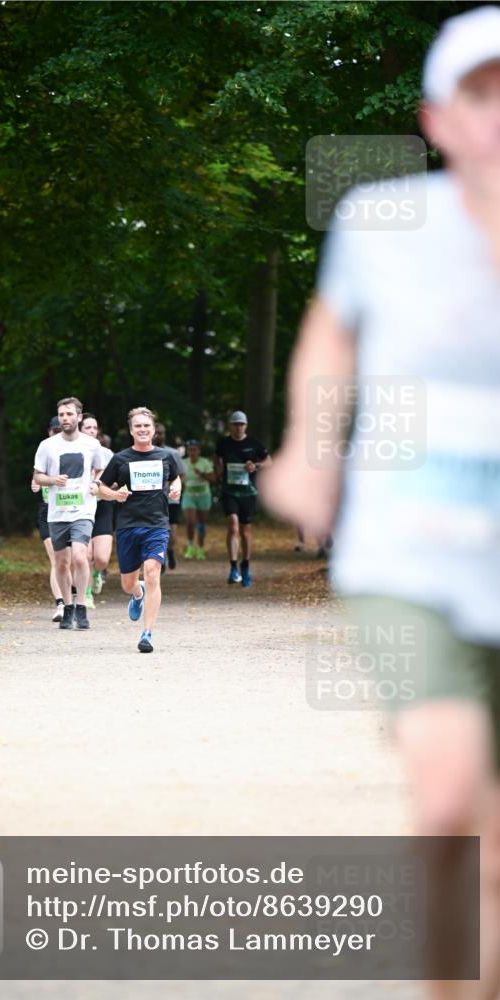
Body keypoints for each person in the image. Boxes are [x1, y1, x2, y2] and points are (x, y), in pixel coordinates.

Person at [261, 9, 500, 997]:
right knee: (448, 798)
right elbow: (330, 341)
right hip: (408, 547)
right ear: (438, 119)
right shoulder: (384, 223)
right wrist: (310, 457)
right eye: (484, 94)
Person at [96, 406, 181, 653]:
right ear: (131, 430)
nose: (143, 429)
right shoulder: (121, 459)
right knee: (127, 583)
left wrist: (177, 488)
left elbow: (175, 478)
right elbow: (100, 487)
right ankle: (137, 593)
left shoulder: (166, 457)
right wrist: (115, 494)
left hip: (157, 525)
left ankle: (147, 634)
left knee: (153, 572)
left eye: (147, 426)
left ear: (153, 430)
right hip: (128, 526)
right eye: (138, 426)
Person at [33, 397, 104, 631]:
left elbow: (101, 467)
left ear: (79, 417)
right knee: (61, 562)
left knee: (80, 557)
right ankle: (67, 606)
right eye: (62, 414)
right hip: (57, 511)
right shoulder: (47, 445)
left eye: (69, 414)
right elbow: (38, 476)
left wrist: (95, 482)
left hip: (83, 509)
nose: (65, 418)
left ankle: (82, 606)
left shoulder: (91, 445)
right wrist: (53, 480)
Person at [215, 411, 271, 588]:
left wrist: (256, 466)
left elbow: (269, 461)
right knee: (232, 525)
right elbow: (216, 458)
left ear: (246, 425)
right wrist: (218, 468)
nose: (238, 427)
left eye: (241, 424)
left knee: (245, 532)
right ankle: (233, 568)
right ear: (230, 425)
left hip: (248, 493)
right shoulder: (224, 443)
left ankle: (245, 565)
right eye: (235, 424)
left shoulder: (254, 444)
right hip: (229, 491)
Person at [30, 416, 69, 622]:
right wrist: (36, 484)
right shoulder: (45, 449)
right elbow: (37, 475)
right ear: (49, 432)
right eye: (53, 430)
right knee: (55, 559)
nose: (56, 434)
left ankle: (74, 602)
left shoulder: (74, 448)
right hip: (48, 511)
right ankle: (61, 604)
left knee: (68, 561)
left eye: (59, 430)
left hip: (69, 510)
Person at [80, 412, 114, 609]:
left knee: (100, 558)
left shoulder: (107, 454)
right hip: (82, 508)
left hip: (102, 506)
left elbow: (116, 479)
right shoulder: (74, 451)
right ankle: (86, 593)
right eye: (88, 428)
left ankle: (96, 573)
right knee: (86, 555)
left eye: (94, 428)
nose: (92, 431)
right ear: (81, 429)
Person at [152, 422, 186, 570]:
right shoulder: (147, 454)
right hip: (153, 499)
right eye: (156, 432)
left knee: (171, 531)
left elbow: (182, 475)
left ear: (165, 435)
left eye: (161, 433)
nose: (158, 435)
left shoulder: (172, 453)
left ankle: (170, 551)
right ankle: (161, 558)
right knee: (156, 530)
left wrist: (176, 488)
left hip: (171, 499)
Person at [181, 439, 216, 559]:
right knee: (190, 521)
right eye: (190, 450)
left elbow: (213, 479)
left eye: (194, 450)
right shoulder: (183, 463)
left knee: (201, 523)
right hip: (189, 495)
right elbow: (179, 480)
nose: (192, 452)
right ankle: (190, 546)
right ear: (187, 451)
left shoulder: (205, 463)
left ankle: (200, 548)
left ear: (199, 451)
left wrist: (202, 474)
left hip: (203, 495)